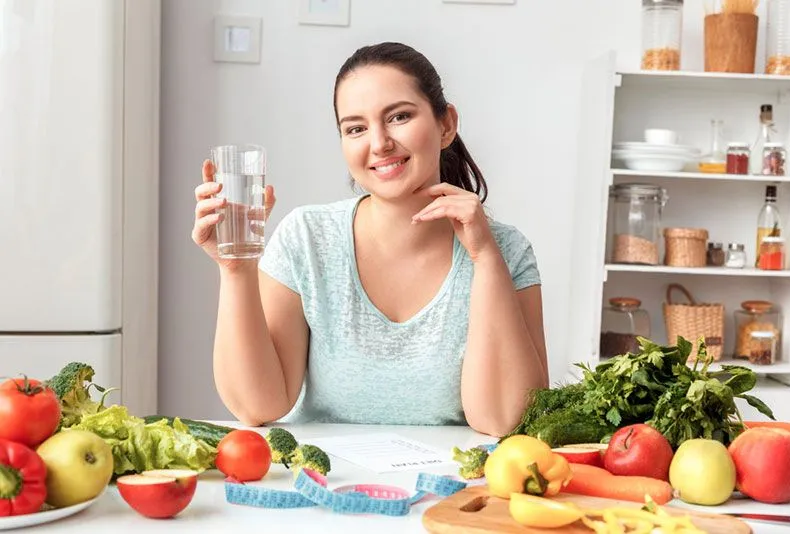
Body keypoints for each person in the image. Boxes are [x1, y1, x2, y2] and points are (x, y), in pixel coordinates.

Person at [192, 42, 548, 437]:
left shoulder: (507, 251)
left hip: (450, 489)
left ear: (446, 124)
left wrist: (485, 259)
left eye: (399, 116)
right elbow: (256, 406)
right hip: (323, 485)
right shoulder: (306, 239)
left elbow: (506, 420)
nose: (379, 143)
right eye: (356, 128)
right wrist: (236, 269)